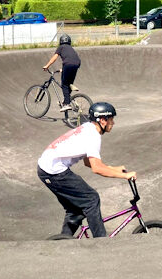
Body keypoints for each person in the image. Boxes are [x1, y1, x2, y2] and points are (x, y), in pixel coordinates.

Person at [37, 102, 136, 238]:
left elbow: (88, 162)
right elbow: (96, 168)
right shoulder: (93, 136)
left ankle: (63, 241)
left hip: (47, 169)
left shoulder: (87, 128)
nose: (113, 123)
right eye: (111, 119)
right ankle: (101, 241)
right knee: (91, 199)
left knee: (75, 210)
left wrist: (113, 168)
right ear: (102, 120)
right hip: (53, 172)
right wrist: (125, 176)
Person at [42, 34, 81, 112]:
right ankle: (67, 99)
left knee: (64, 84)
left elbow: (54, 57)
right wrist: (63, 69)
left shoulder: (61, 47)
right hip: (77, 64)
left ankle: (67, 104)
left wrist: (47, 66)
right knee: (69, 83)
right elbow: (71, 59)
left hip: (68, 64)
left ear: (61, 41)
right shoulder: (71, 48)